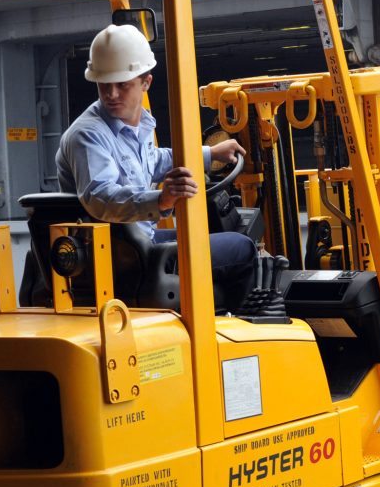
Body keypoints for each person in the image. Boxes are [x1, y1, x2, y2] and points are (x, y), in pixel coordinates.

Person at [56, 23, 257, 310]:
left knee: (210, 239)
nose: (111, 94)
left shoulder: (131, 125)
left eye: (122, 84)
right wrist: (162, 200)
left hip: (134, 243)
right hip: (123, 255)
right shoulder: (88, 134)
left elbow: (151, 161)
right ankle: (236, 329)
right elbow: (100, 196)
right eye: (104, 85)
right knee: (241, 247)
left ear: (145, 82)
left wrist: (209, 154)